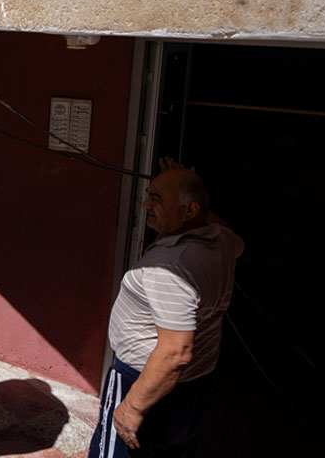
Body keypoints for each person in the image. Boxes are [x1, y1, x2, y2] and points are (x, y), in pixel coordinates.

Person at [88, 158, 244, 458]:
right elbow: (234, 238)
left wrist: (131, 408)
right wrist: (191, 194)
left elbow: (175, 353)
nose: (146, 205)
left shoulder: (171, 267)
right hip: (195, 384)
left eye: (157, 199)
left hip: (147, 383)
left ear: (190, 211)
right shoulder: (221, 240)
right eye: (150, 195)